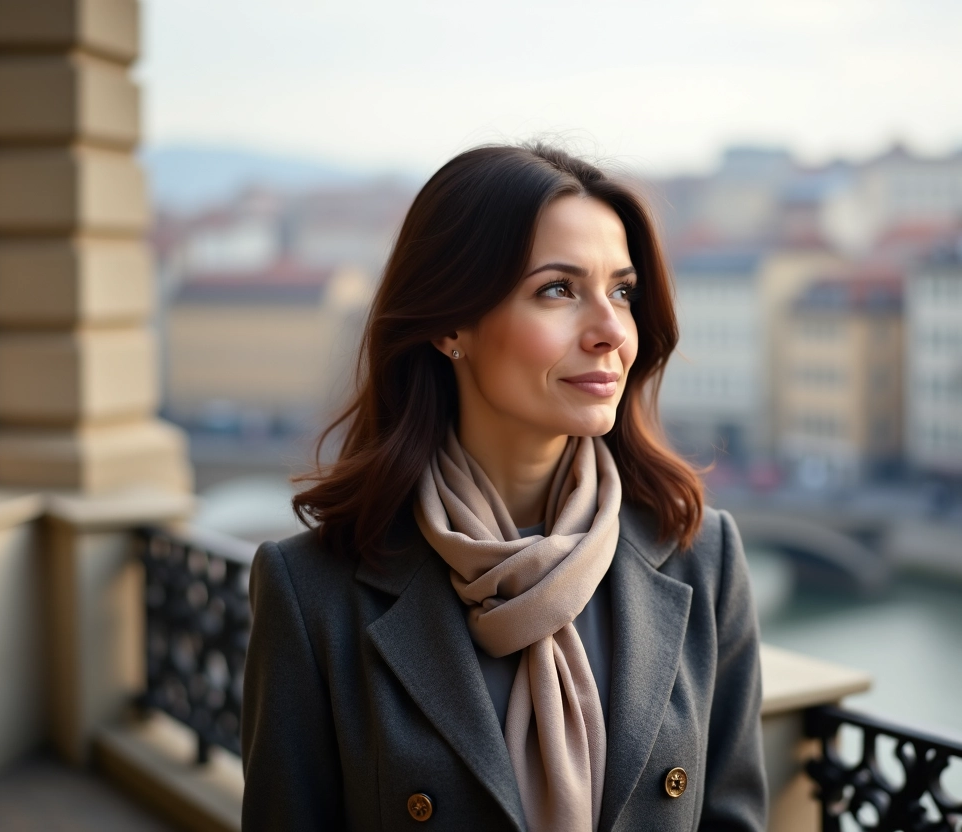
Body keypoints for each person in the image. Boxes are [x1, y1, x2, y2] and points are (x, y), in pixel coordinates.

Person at [240, 143, 767, 831]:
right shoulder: (313, 594)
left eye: (622, 291)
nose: (611, 331)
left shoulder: (703, 556)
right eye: (558, 290)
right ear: (449, 324)